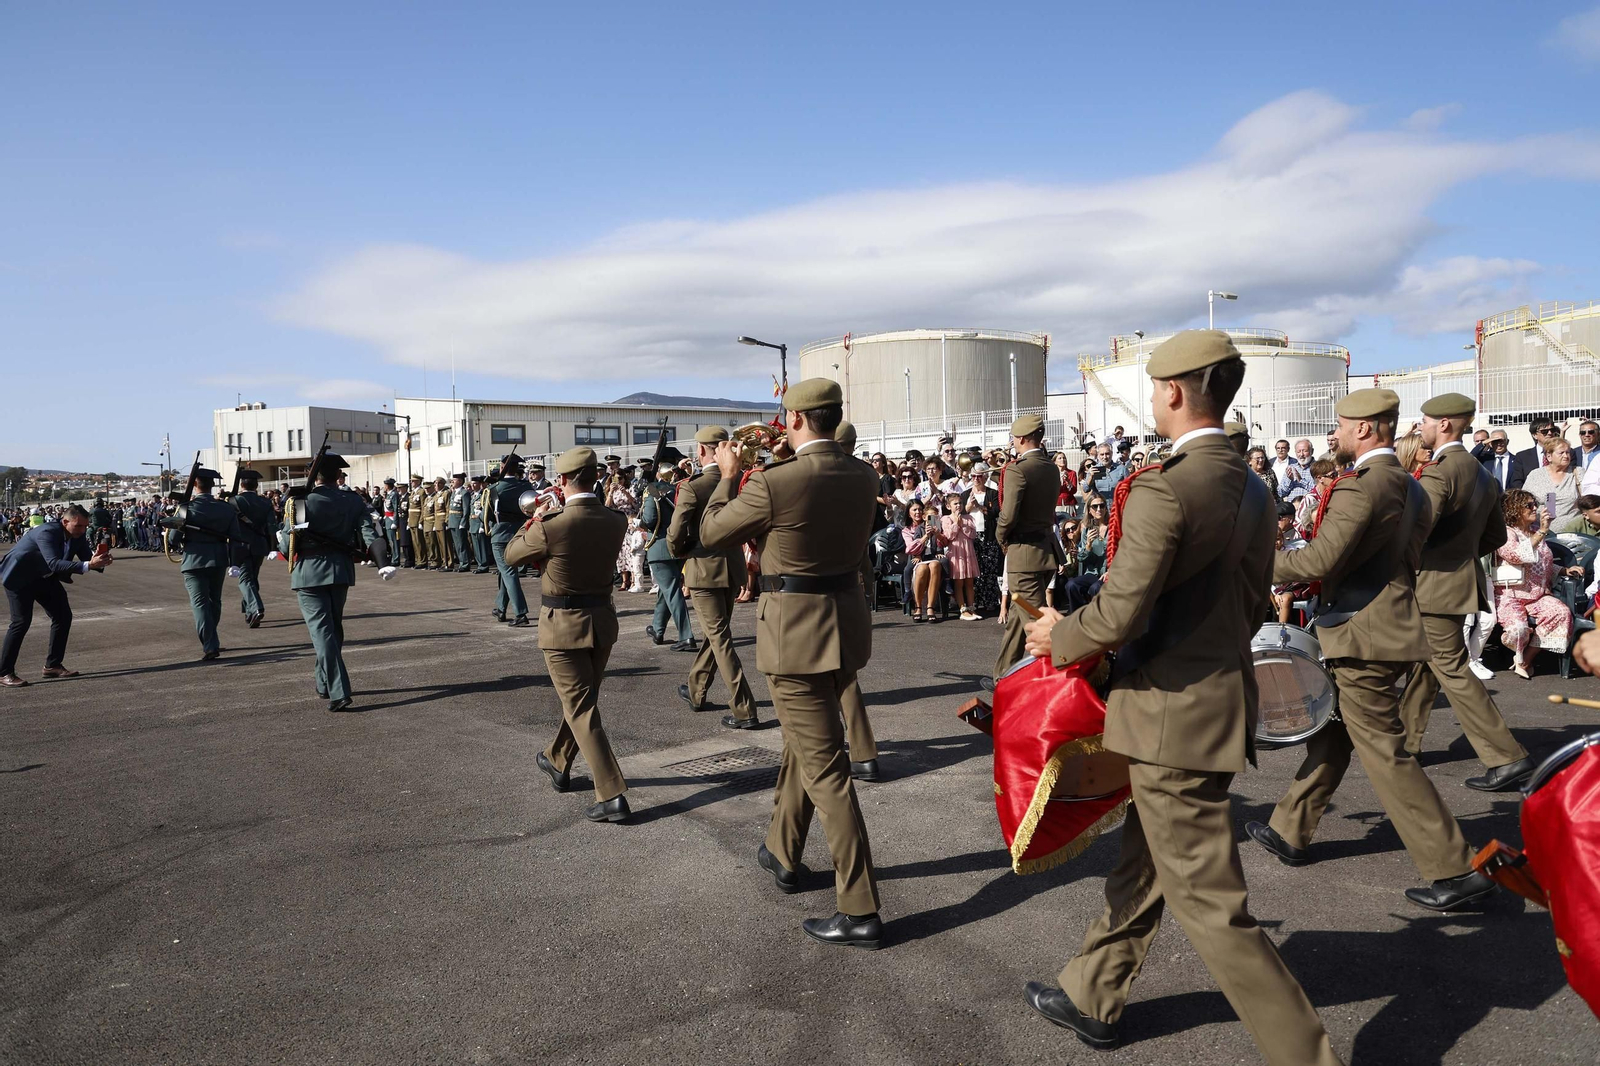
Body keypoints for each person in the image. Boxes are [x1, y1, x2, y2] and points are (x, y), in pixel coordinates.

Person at [1019, 330, 1340, 1064]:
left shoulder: (1169, 483)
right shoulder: (1252, 484)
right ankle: (1093, 991)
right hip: (1218, 707)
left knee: (1215, 911)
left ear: (1171, 391)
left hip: (1170, 714)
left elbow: (1122, 610)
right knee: (1147, 861)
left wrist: (1057, 638)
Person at [1246, 387, 1494, 914]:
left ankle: (1456, 867)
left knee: (1387, 754)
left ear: (1364, 428)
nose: (1333, 435)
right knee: (1337, 732)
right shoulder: (1412, 486)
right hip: (1388, 626)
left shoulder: (1361, 486)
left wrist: (1249, 565)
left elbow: (1320, 558)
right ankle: (1290, 828)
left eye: (1337, 425)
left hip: (1362, 632)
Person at [700, 377, 883, 949]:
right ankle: (783, 850)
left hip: (795, 633)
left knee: (827, 770)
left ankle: (860, 909)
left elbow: (711, 533)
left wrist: (729, 476)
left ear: (798, 419)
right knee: (804, 747)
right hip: (842, 626)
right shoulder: (862, 472)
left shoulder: (774, 482)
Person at [1396, 394, 1533, 790]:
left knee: (1452, 669)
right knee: (1427, 666)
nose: (1419, 427)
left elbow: (1414, 529)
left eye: (1423, 421)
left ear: (1443, 424)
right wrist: (1459, 552)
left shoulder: (1440, 472)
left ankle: (1507, 757)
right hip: (1459, 581)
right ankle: (1408, 742)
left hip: (1432, 584)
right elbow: (1493, 535)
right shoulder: (1480, 471)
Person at [506, 447, 632, 824]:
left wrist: (535, 519)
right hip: (602, 621)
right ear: (595, 476)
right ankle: (558, 760)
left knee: (581, 708)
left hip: (562, 625)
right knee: (583, 702)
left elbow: (512, 555)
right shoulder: (615, 519)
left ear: (561, 481)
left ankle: (612, 795)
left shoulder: (552, 524)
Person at [278, 454, 393, 711]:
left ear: (313, 476)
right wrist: (381, 561)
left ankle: (339, 690)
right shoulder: (352, 500)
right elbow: (369, 533)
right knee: (332, 630)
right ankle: (323, 681)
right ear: (336, 476)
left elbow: (287, 545)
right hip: (340, 571)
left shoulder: (301, 502)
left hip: (308, 573)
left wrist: (281, 535)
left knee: (323, 633)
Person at [667, 425, 759, 729]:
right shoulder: (739, 483)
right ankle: (696, 690)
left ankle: (744, 707)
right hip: (732, 567)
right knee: (716, 634)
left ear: (702, 451)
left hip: (703, 569)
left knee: (720, 639)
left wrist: (678, 550)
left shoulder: (693, 487)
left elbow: (676, 532)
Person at [0, 504, 110, 687]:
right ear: (65, 521)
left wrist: (101, 559)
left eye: (85, 526)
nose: (83, 530)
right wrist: (90, 565)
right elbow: (54, 563)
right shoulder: (48, 532)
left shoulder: (77, 535)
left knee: (63, 616)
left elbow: (86, 558)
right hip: (19, 577)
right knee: (20, 622)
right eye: (78, 526)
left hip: (44, 577)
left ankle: (53, 666)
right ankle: (4, 672)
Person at [993, 414, 1061, 683]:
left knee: (1038, 621)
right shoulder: (1051, 466)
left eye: (1013, 438)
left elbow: (1008, 516)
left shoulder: (1018, 469)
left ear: (1020, 439)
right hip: (1045, 549)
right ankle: (1003, 677)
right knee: (1017, 620)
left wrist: (1000, 537)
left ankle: (1057, 679)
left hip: (1024, 553)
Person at [1495, 488, 1583, 679]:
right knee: (1517, 630)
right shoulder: (1506, 533)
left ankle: (1526, 658)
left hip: (1538, 594)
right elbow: (1517, 556)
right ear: (1514, 509)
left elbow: (1543, 562)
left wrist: (1563, 570)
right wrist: (1543, 530)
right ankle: (1518, 652)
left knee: (1561, 613)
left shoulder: (1535, 532)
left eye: (1535, 504)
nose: (1535, 508)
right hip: (1511, 595)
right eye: (1529, 505)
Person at [175, 469, 244, 662]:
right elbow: (236, 538)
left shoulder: (185, 507)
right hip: (219, 558)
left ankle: (210, 644)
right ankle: (211, 637)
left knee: (200, 603)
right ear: (212, 485)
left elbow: (174, 539)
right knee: (215, 601)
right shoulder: (226, 508)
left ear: (194, 485)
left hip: (194, 560)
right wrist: (235, 562)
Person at [640, 467, 695, 651]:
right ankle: (657, 629)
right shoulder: (679, 489)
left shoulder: (652, 491)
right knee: (667, 590)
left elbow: (649, 519)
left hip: (659, 546)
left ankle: (686, 636)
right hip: (678, 545)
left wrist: (637, 521)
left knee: (671, 591)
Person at [487, 455, 532, 625]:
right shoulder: (525, 486)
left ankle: (521, 614)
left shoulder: (495, 488)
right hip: (520, 533)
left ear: (502, 466)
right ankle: (500, 608)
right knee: (505, 572)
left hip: (500, 534)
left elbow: (488, 515)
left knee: (508, 572)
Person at [231, 470, 278, 629]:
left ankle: (256, 607)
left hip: (241, 545)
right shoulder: (265, 502)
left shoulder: (234, 501)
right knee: (252, 578)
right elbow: (272, 526)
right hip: (260, 544)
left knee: (245, 579)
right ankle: (249, 611)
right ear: (256, 485)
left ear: (241, 484)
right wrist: (273, 547)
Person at [1523, 436, 1582, 525]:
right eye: (1561, 453)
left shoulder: (1578, 472)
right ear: (1549, 456)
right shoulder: (1535, 475)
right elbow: (1523, 502)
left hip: (1573, 532)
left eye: (1567, 452)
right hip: (1541, 531)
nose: (1566, 456)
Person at [902, 500, 944, 622]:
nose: (918, 512)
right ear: (909, 513)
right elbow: (909, 548)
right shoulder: (907, 530)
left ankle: (931, 607)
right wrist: (925, 536)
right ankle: (918, 606)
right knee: (922, 568)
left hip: (933, 558)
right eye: (914, 510)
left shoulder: (934, 523)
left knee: (935, 565)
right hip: (917, 559)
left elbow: (941, 541)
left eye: (920, 509)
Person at [941, 491, 979, 620]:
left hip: (968, 552)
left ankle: (971, 607)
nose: (958, 505)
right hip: (956, 553)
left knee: (969, 581)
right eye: (955, 503)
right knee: (959, 582)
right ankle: (962, 609)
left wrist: (963, 525)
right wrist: (956, 524)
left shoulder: (968, 518)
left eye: (960, 503)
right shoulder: (946, 519)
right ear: (948, 506)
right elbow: (949, 536)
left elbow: (973, 535)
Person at [447, 472, 472, 572]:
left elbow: (466, 509)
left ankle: (465, 563)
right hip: (453, 520)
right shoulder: (454, 492)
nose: (452, 481)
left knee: (462, 543)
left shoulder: (464, 493)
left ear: (460, 481)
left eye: (455, 480)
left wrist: (463, 522)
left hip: (459, 520)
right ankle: (461, 562)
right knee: (457, 544)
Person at [467, 475, 493, 574]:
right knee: (476, 547)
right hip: (473, 523)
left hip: (479, 523)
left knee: (482, 546)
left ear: (480, 484)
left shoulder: (483, 495)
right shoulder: (473, 495)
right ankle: (480, 564)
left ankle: (484, 565)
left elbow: (484, 511)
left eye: (475, 484)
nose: (473, 485)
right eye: (472, 484)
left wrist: (483, 525)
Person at [405, 475, 426, 569]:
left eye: (413, 481)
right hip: (412, 519)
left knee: (419, 541)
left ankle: (422, 560)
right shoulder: (413, 492)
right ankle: (418, 559)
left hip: (417, 519)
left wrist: (421, 520)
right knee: (415, 542)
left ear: (418, 481)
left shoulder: (421, 492)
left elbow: (422, 507)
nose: (411, 483)